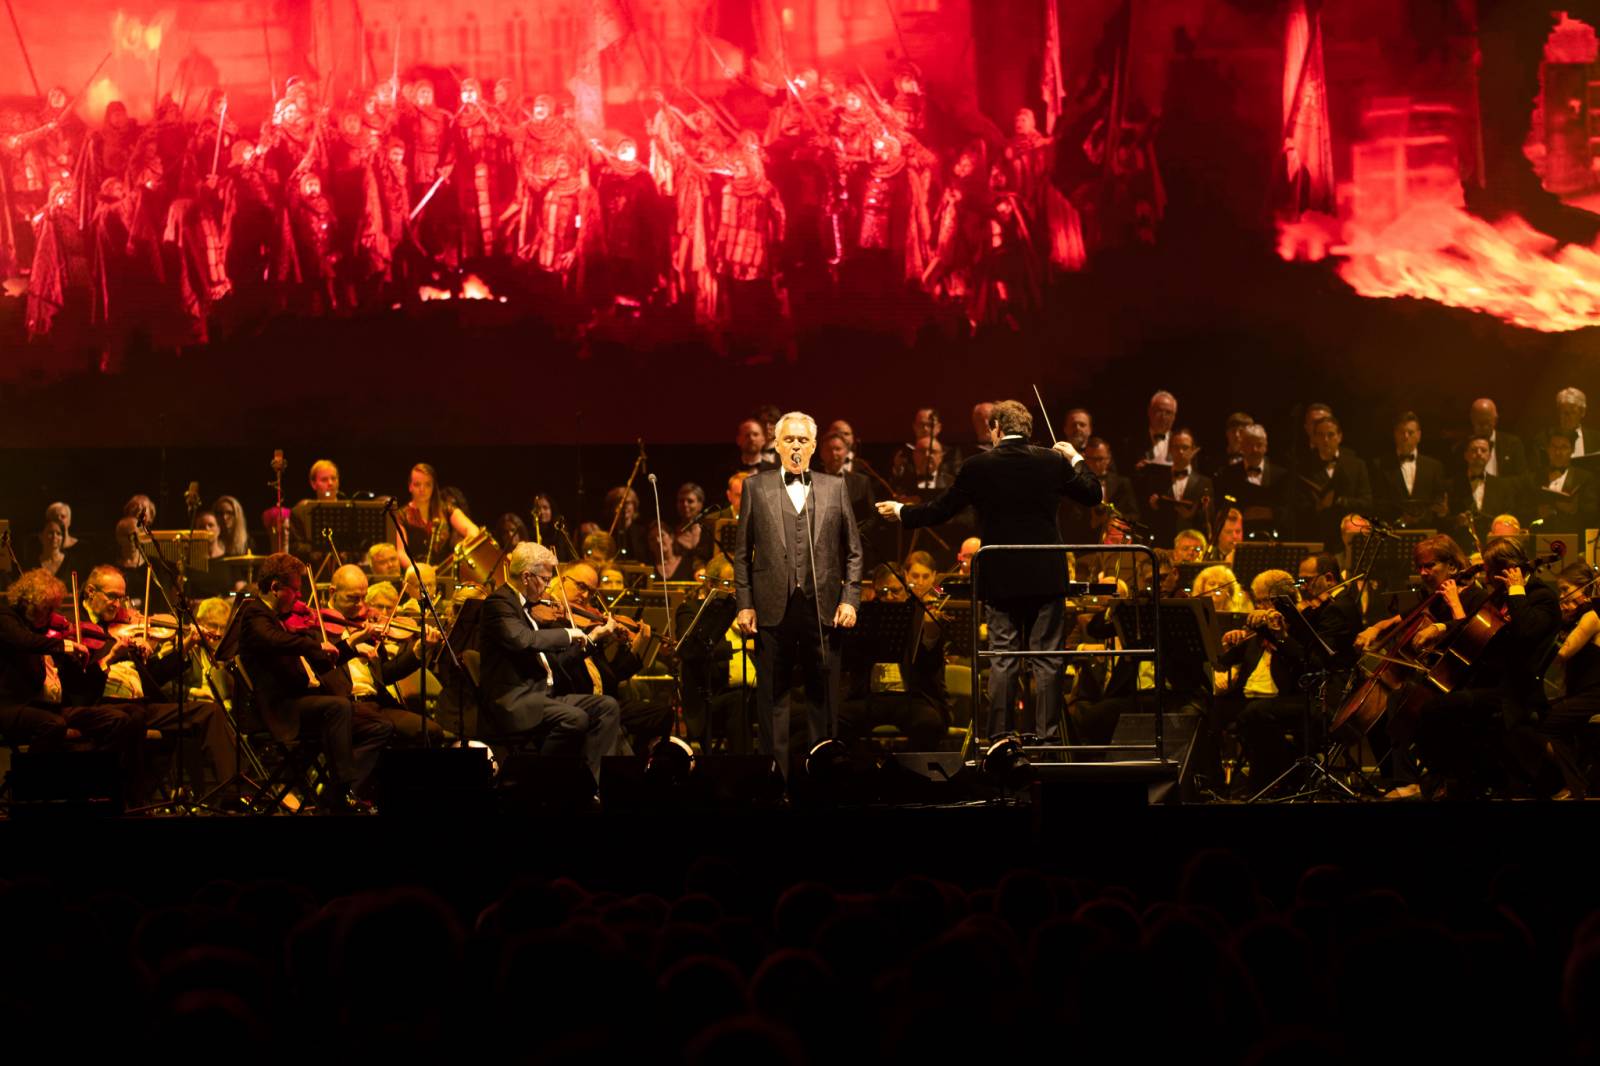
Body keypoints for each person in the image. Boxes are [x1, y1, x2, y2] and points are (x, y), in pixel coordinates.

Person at [878, 399, 1100, 741]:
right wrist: (1075, 457)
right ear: (1027, 430)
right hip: (1046, 576)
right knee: (1047, 661)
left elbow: (941, 511)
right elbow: (1092, 494)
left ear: (996, 429)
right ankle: (1048, 739)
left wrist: (903, 511)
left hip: (1001, 579)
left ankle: (1000, 740)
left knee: (1003, 659)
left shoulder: (978, 465)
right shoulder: (1053, 461)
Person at [734, 411, 864, 779]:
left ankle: (822, 777)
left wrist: (850, 599)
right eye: (788, 440)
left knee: (822, 697)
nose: (795, 447)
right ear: (776, 445)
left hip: (821, 607)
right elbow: (742, 553)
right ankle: (776, 780)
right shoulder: (754, 487)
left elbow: (853, 551)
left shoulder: (834, 486)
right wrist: (745, 604)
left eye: (802, 441)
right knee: (772, 698)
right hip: (772, 606)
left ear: (813, 446)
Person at [224, 552, 393, 805]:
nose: (301, 596)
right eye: (295, 589)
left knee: (381, 726)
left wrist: (347, 647)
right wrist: (312, 645)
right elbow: (275, 640)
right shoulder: (255, 614)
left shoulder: (282, 621)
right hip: (283, 709)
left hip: (306, 703)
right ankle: (344, 792)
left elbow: (318, 665)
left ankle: (335, 793)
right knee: (338, 707)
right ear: (275, 588)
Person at [1406, 537, 1560, 799]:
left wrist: (1516, 591)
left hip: (1515, 690)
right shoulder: (1499, 595)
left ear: (1506, 569)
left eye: (1489, 570)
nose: (1485, 577)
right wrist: (1442, 627)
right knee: (1423, 702)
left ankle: (1454, 778)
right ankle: (1466, 780)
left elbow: (1525, 633)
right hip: (1489, 682)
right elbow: (1474, 625)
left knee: (1435, 709)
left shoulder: (1541, 597)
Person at [75, 565, 238, 795]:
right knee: (135, 720)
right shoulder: (75, 626)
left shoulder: (126, 628)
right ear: (91, 592)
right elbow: (80, 684)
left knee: (211, 712)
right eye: (112, 596)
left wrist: (187, 645)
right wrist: (112, 656)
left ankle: (233, 794)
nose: (118, 605)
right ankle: (136, 799)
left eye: (122, 598)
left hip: (141, 705)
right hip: (104, 707)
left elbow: (156, 677)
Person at [476, 542, 622, 782]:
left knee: (607, 707)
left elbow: (556, 663)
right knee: (575, 718)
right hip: (514, 700)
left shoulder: (527, 609)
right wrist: (567, 634)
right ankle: (539, 780)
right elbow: (522, 640)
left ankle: (592, 785)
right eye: (544, 579)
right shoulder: (499, 603)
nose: (547, 586)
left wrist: (592, 638)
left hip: (542, 694)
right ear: (526, 576)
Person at [0, 569, 138, 758]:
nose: (52, 616)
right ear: (30, 603)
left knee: (118, 719)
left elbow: (77, 684)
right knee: (53, 725)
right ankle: (27, 780)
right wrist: (65, 645)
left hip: (52, 709)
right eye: (47, 609)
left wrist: (102, 660)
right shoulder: (7, 619)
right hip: (13, 707)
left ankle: (99, 781)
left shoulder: (47, 631)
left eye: (53, 609)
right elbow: (24, 641)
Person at [1293, 415, 1372, 551]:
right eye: (1321, 435)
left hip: (1348, 542)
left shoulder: (1356, 465)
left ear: (1339, 437)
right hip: (1317, 540)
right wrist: (1319, 506)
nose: (1325, 440)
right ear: (1314, 438)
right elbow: (1296, 509)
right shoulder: (1303, 468)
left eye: (1331, 435)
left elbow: (1367, 502)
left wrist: (1339, 501)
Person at [396, 462, 481, 568]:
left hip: (445, 573)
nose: (422, 489)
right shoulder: (400, 515)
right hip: (416, 576)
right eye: (417, 484)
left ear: (433, 487)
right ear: (410, 487)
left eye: (428, 484)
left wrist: (460, 550)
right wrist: (420, 570)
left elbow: (473, 530)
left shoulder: (447, 510)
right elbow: (400, 553)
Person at [1371, 411, 1446, 529]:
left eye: (1410, 432)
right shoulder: (1380, 465)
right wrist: (1399, 517)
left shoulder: (1434, 466)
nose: (1406, 436)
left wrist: (1425, 514)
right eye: (1402, 432)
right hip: (1393, 531)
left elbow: (1438, 501)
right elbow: (1377, 502)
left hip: (1426, 532)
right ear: (1395, 434)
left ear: (1419, 435)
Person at [1447, 435, 1520, 553]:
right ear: (1466, 455)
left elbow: (1509, 516)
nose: (1479, 453)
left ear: (1490, 455)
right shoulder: (1453, 485)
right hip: (1461, 548)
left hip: (1495, 549)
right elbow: (1444, 518)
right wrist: (1457, 520)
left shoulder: (1502, 485)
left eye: (1483, 450)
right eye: (1474, 450)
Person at [1215, 424, 1289, 539]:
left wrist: (1269, 513)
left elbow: (1289, 510)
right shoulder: (1228, 475)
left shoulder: (1281, 475)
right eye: (1249, 444)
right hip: (1239, 538)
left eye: (1259, 445)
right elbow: (1222, 509)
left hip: (1275, 538)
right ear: (1241, 446)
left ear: (1266, 447)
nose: (1254, 449)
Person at [1142, 428, 1211, 546]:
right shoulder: (1157, 480)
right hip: (1163, 543)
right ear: (1169, 449)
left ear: (1193, 450)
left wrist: (1193, 514)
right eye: (1176, 447)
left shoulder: (1204, 482)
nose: (1180, 451)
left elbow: (1209, 519)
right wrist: (1153, 507)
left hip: (1193, 543)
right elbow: (1147, 518)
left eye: (1185, 447)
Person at [1468, 397, 1525, 479]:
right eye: (1479, 423)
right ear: (1472, 420)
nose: (1483, 427)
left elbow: (1522, 479)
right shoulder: (1464, 447)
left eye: (1487, 422)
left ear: (1495, 420)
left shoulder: (1512, 444)